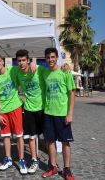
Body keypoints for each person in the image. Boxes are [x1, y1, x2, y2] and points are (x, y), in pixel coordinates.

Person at [0, 54, 27, 175]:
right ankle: (8, 159)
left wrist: (33, 64)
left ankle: (21, 160)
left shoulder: (13, 70)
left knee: (19, 136)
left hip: (15, 107)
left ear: (3, 62)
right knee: (5, 136)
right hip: (3, 111)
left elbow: (24, 67)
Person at [41, 48, 75, 180]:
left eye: (53, 57)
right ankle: (53, 167)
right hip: (48, 112)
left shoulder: (64, 72)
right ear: (45, 59)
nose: (50, 59)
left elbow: (72, 93)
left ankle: (67, 169)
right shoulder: (44, 73)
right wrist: (32, 63)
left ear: (57, 58)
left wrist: (70, 113)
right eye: (48, 57)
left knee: (65, 142)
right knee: (50, 141)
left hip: (62, 113)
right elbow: (33, 67)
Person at [15, 49, 45, 174]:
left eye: (24, 60)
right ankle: (34, 160)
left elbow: (53, 72)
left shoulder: (39, 69)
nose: (21, 63)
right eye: (19, 61)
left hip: (43, 108)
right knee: (31, 137)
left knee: (48, 137)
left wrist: (64, 67)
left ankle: (52, 163)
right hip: (28, 108)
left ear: (28, 60)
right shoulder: (16, 72)